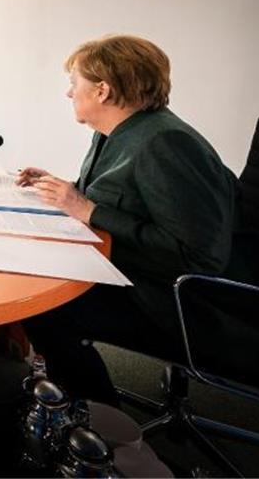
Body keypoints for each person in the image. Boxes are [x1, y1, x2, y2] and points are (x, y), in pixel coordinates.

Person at [16, 35, 238, 406]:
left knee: (47, 308)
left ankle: (99, 424)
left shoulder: (165, 143)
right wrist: (63, 189)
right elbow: (122, 196)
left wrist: (89, 211)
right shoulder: (117, 132)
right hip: (132, 269)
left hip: (175, 301)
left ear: (102, 90)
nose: (69, 93)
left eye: (74, 83)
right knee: (37, 276)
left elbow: (199, 258)